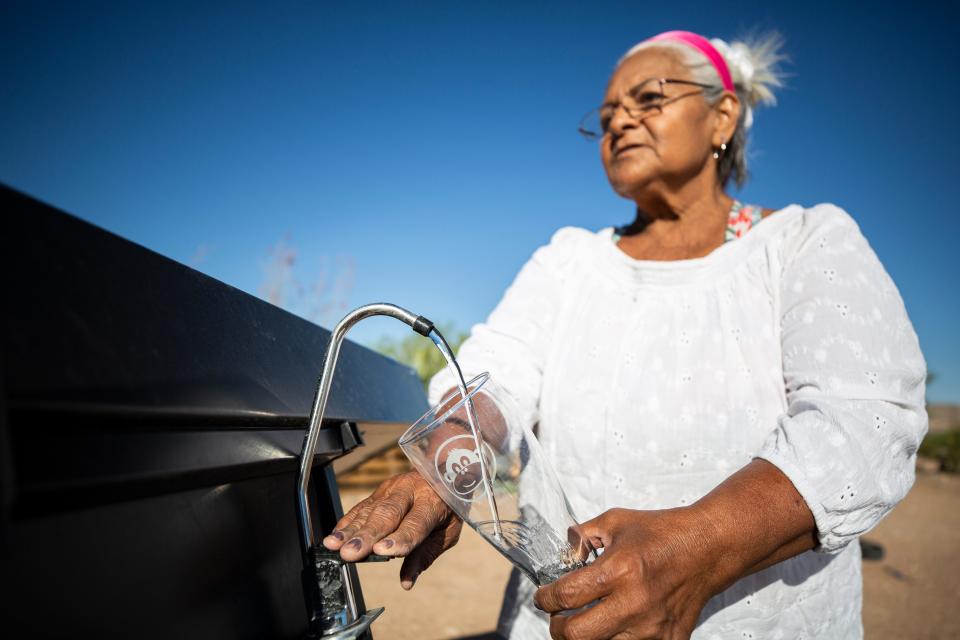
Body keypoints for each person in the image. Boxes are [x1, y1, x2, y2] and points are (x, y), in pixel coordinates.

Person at [323, 30, 928, 639]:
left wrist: (701, 547)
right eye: (608, 115)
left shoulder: (805, 243)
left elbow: (863, 420)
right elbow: (491, 378)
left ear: (723, 115)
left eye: (649, 99)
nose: (620, 123)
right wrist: (448, 467)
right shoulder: (568, 263)